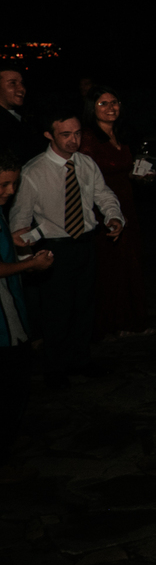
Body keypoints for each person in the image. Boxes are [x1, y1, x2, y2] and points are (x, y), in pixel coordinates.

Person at [10, 111, 124, 389]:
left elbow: (102, 194)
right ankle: (55, 367)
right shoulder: (34, 171)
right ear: (49, 135)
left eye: (77, 133)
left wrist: (114, 216)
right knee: (57, 310)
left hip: (84, 243)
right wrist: (28, 260)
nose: (74, 140)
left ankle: (80, 360)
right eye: (65, 134)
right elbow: (20, 220)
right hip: (54, 248)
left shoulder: (85, 163)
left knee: (84, 306)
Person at [79, 84, 151, 338]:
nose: (111, 108)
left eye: (114, 102)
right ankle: (114, 322)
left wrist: (139, 176)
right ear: (92, 109)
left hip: (127, 202)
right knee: (112, 264)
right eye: (103, 103)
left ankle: (131, 319)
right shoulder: (88, 138)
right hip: (103, 207)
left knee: (130, 261)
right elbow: (86, 179)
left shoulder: (121, 134)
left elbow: (123, 170)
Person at [0, 152, 54, 460]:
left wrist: (18, 249)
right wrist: (29, 264)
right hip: (3, 319)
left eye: (14, 185)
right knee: (12, 379)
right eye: (3, 185)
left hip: (10, 307)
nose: (10, 192)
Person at [0, 69, 43, 165]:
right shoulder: (4, 122)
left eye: (22, 83)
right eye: (12, 83)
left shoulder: (25, 116)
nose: (21, 88)